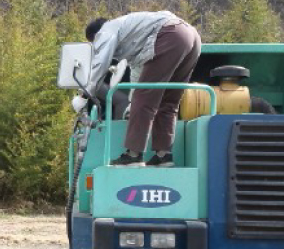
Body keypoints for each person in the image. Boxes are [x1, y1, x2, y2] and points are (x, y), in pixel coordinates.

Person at [84, 11, 201, 167]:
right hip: (192, 37)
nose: (97, 46)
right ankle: (164, 155)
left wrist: (85, 93)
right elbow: (137, 74)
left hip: (171, 34)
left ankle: (133, 155)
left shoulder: (107, 30)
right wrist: (132, 103)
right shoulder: (132, 34)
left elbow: (100, 63)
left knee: (144, 98)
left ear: (95, 36)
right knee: (168, 101)